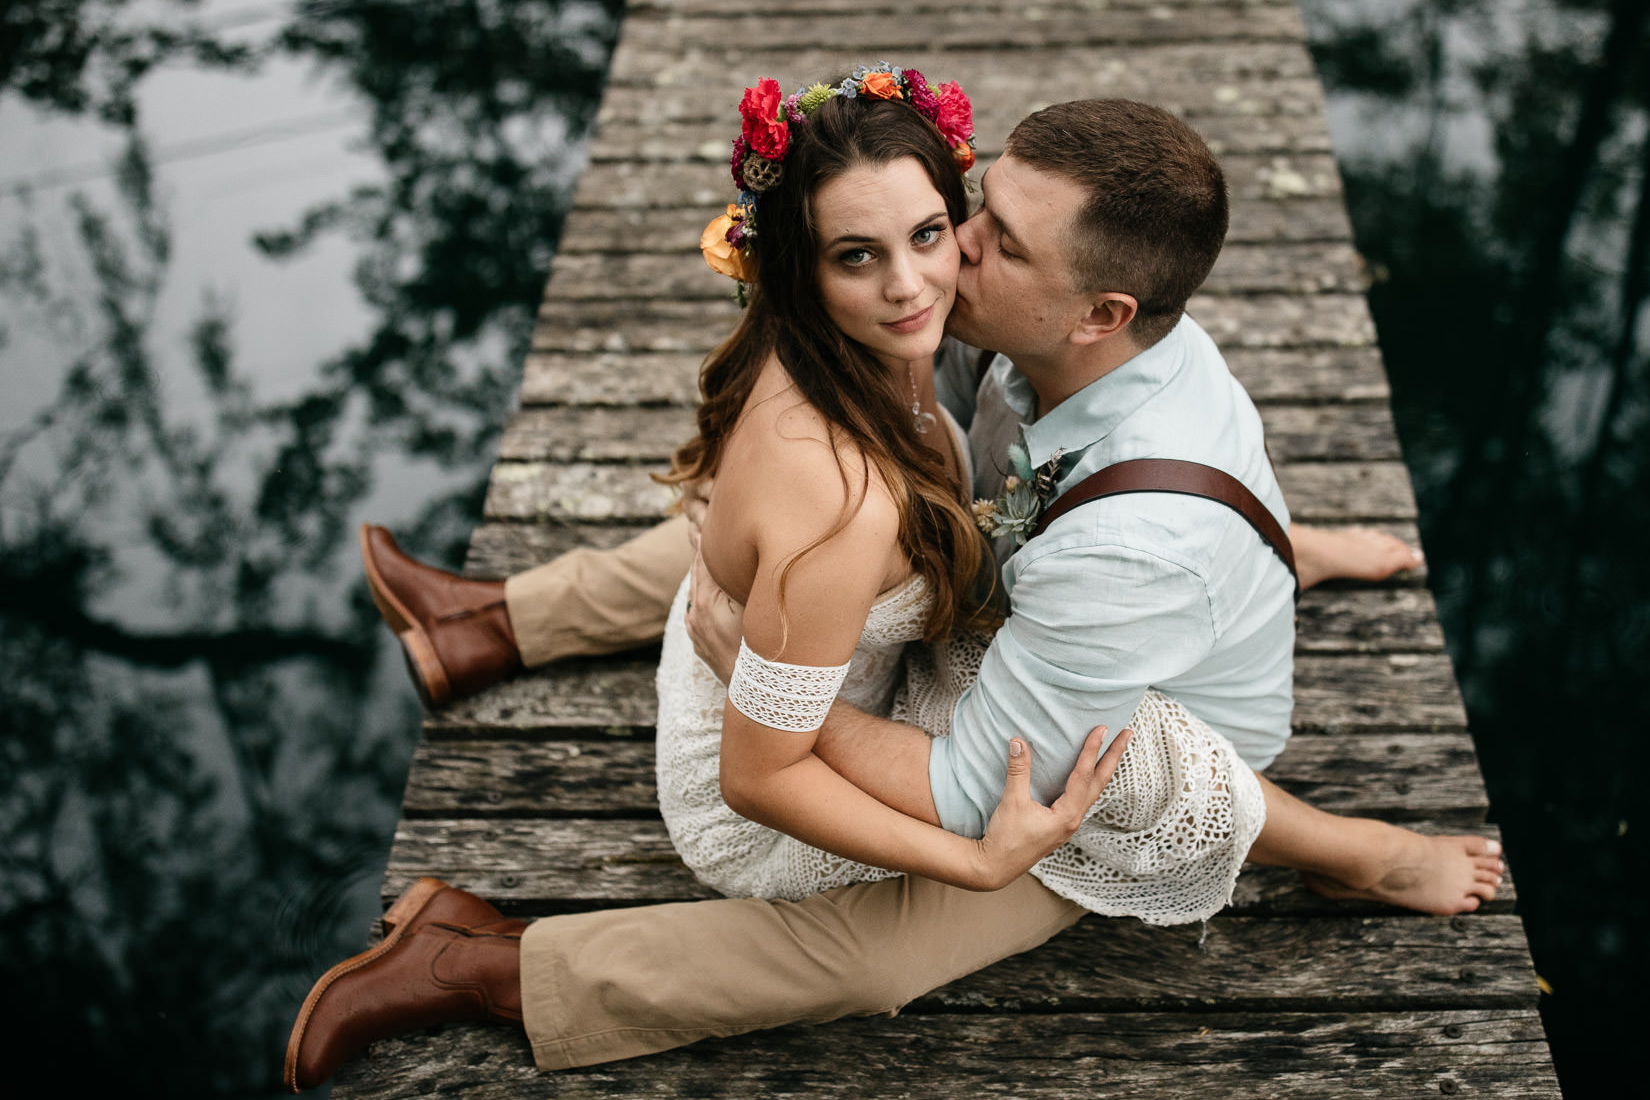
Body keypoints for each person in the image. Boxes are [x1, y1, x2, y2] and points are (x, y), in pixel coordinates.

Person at [288, 82, 1496, 1092]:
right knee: (875, 549)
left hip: (1079, 676)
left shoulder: (1114, 521)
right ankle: (486, 726)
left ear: (1104, 314)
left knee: (1015, 776)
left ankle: (486, 814)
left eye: (987, 240)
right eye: (977, 206)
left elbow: (979, 752)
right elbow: (864, 623)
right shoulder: (1068, 344)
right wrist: (778, 698)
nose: (951, 252)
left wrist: (1272, 540)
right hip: (874, 690)